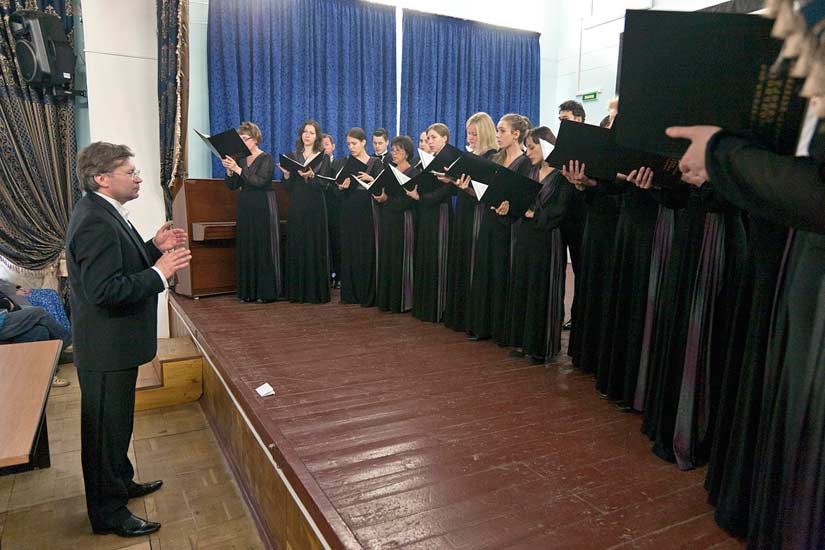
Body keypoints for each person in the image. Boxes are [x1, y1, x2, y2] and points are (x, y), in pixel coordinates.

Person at [66, 141, 191, 537]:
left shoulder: (102, 210)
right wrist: (159, 272)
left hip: (113, 345)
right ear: (102, 178)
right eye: (130, 172)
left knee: (116, 426)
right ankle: (108, 513)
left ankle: (120, 482)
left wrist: (154, 248)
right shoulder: (95, 221)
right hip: (106, 348)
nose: (138, 178)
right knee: (104, 434)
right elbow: (104, 290)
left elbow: (119, 262)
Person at [506, 126, 575, 363]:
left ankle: (539, 346)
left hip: (548, 238)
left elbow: (562, 209)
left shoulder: (563, 175)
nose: (528, 152)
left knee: (542, 288)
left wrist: (534, 214)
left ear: (546, 146)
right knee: (522, 284)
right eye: (527, 148)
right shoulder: (529, 170)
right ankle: (521, 341)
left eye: (532, 147)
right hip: (525, 235)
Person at [466, 113, 531, 343]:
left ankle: (502, 329)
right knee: (486, 269)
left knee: (503, 273)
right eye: (497, 130)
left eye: (502, 131)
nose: (497, 135)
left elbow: (526, 197)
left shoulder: (526, 163)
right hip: (489, 219)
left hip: (510, 225)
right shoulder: (495, 158)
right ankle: (484, 326)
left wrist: (510, 206)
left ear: (516, 134)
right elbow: (484, 191)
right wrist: (468, 188)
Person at [443, 112, 498, 332]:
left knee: (475, 261)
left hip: (479, 213)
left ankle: (474, 318)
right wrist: (451, 178)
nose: (470, 138)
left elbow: (489, 192)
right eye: (468, 133)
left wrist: (467, 188)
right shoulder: (469, 155)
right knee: (463, 258)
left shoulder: (493, 156)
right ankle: (459, 313)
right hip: (465, 210)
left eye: (475, 134)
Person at [223, 121, 281, 302]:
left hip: (262, 205)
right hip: (245, 205)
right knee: (246, 245)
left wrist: (238, 169)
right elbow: (232, 186)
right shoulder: (241, 160)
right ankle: (248, 292)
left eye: (245, 138)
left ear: (255, 139)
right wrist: (230, 172)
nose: (242, 142)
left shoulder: (266, 158)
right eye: (240, 139)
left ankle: (264, 293)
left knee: (261, 246)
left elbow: (260, 181)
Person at [405, 123, 455, 322]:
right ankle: (424, 306)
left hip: (440, 212)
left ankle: (438, 308)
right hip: (426, 211)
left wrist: (422, 197)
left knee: (438, 257)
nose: (429, 141)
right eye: (427, 139)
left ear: (445, 139)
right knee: (425, 254)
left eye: (433, 138)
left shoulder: (450, 161)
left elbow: (448, 190)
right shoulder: (425, 160)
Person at [280, 120, 332, 303]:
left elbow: (325, 184)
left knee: (314, 243)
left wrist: (312, 176)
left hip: (316, 204)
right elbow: (288, 187)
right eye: (305, 132)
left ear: (317, 136)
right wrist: (287, 175)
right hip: (297, 203)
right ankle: (297, 292)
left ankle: (314, 292)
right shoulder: (293, 156)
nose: (307, 135)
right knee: (298, 241)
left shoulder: (323, 157)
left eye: (311, 132)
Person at [337, 128, 383, 306]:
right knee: (350, 249)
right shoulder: (346, 162)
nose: (351, 147)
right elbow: (337, 191)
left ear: (364, 142)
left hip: (367, 211)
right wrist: (342, 186)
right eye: (348, 144)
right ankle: (350, 294)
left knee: (365, 250)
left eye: (354, 143)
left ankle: (366, 294)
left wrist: (371, 180)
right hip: (349, 210)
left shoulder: (375, 163)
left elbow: (383, 189)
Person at [374, 135, 418, 313]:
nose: (394, 153)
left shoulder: (413, 173)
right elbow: (382, 190)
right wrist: (379, 195)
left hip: (403, 219)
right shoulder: (389, 170)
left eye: (398, 150)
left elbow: (407, 201)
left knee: (399, 258)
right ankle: (385, 299)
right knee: (387, 256)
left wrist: (386, 199)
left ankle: (399, 301)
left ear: (407, 152)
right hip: (387, 217)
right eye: (392, 150)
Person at [556, 100, 587, 332]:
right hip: (562, 217)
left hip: (582, 218)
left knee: (580, 271)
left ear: (579, 119)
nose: (561, 124)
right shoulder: (562, 146)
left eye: (565, 119)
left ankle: (579, 317)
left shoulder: (590, 145)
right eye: (560, 120)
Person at [322, 133, 342, 288]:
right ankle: (325, 276)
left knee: (336, 243)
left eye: (327, 145)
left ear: (333, 146)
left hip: (335, 209)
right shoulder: (315, 164)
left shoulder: (339, 164)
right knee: (323, 243)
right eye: (321, 145)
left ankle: (339, 276)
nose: (324, 148)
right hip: (320, 208)